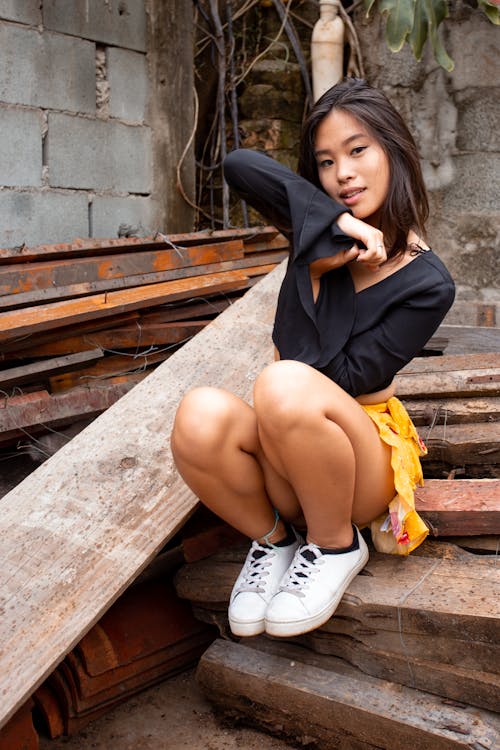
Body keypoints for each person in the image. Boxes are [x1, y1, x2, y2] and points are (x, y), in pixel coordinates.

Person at [170, 77, 455, 640]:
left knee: (282, 384)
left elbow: (345, 382)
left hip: (358, 472)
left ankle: (334, 547)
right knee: (199, 414)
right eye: (325, 162)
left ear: (393, 152)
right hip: (290, 445)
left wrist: (315, 282)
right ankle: (275, 543)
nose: (342, 173)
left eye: (357, 150)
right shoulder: (321, 238)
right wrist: (331, 233)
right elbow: (240, 164)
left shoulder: (428, 283)